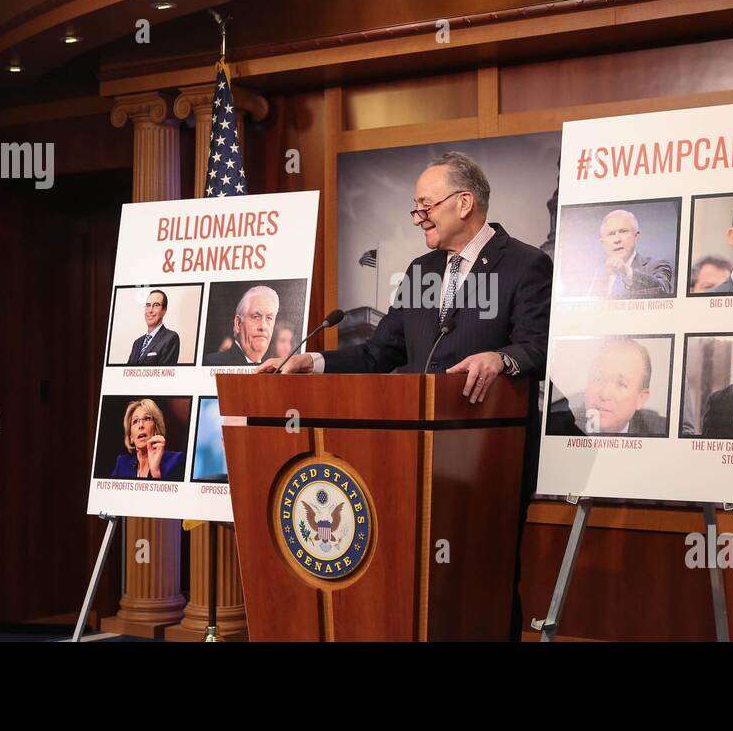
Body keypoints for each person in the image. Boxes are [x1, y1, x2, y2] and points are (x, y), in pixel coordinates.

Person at [256, 151, 551, 641]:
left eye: (425, 206)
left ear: (464, 202)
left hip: (485, 458)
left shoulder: (525, 263)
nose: (418, 218)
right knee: (412, 578)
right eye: (415, 209)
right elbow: (377, 354)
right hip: (411, 457)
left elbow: (538, 345)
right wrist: (316, 361)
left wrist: (501, 359)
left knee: (482, 577)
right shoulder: (420, 270)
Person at [546, 338, 666, 437]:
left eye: (621, 384)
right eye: (598, 379)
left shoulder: (660, 430)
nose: (604, 394)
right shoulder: (558, 427)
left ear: (641, 398)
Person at [586, 209, 673, 298]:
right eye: (611, 234)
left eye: (623, 231)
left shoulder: (656, 265)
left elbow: (664, 291)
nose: (617, 240)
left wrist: (626, 272)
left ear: (636, 235)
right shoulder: (594, 275)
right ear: (603, 242)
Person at [111, 398, 185, 480]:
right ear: (130, 437)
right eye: (135, 421)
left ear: (156, 428)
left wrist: (155, 471)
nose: (141, 425)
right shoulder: (122, 463)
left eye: (147, 419)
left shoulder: (175, 461)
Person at [205, 285, 279, 366]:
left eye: (269, 318)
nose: (263, 326)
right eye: (256, 317)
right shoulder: (213, 363)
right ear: (238, 323)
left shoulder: (273, 369)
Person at [126, 289, 180, 365]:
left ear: (164, 310)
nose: (150, 310)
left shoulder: (171, 338)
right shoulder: (137, 343)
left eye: (156, 305)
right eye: (148, 305)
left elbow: (164, 375)